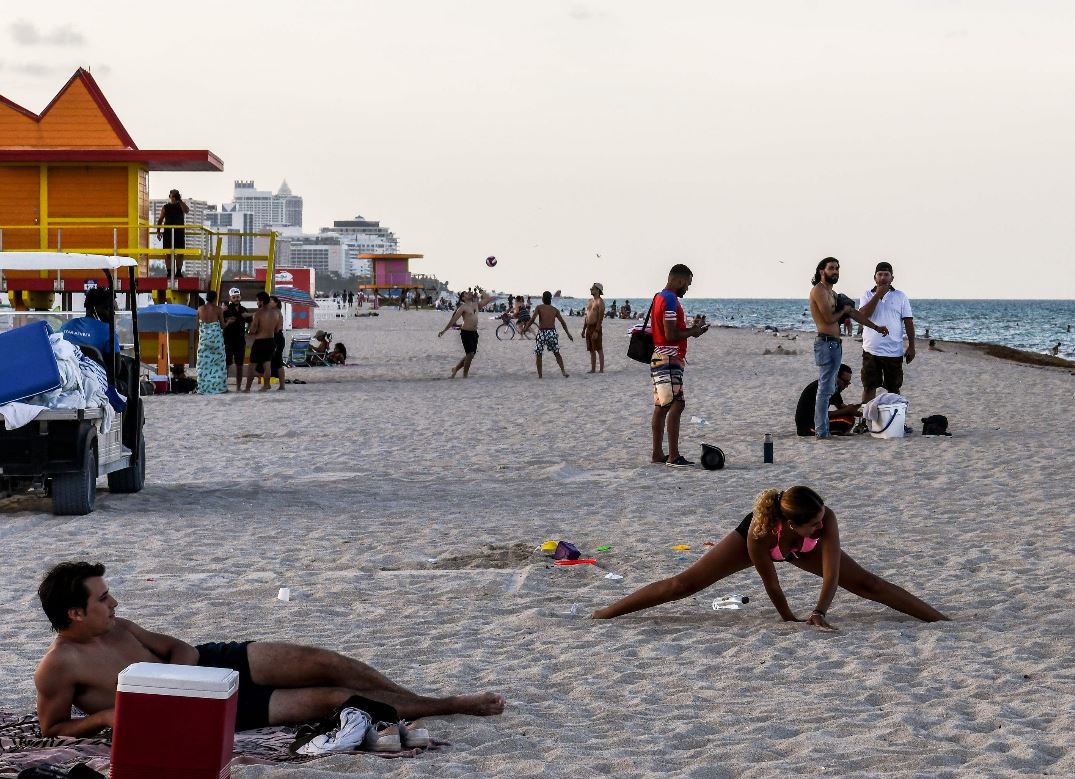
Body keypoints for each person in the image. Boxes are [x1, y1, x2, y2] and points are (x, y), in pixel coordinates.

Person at [33, 562, 506, 738]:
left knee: (322, 661)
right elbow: (52, 727)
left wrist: (178, 675)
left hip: (210, 663)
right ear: (75, 613)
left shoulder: (119, 625)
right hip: (198, 708)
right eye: (102, 597)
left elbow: (176, 646)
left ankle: (415, 697)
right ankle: (447, 706)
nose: (113, 602)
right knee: (334, 697)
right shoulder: (57, 667)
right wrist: (107, 717)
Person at [591, 486, 949, 626]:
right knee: (685, 583)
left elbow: (832, 574)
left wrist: (819, 611)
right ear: (793, 524)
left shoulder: (825, 521)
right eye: (814, 525)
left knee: (868, 582)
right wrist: (789, 620)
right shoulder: (759, 535)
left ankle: (939, 620)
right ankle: (606, 612)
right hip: (767, 544)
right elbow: (772, 585)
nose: (822, 527)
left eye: (823, 519)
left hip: (797, 550)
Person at [808, 257, 888, 440]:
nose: (835, 271)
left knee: (828, 388)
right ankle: (821, 431)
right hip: (825, 343)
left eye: (837, 268)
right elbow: (829, 319)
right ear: (822, 271)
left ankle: (824, 429)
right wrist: (844, 310)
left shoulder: (833, 293)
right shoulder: (818, 291)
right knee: (825, 389)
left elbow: (853, 313)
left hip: (835, 344)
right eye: (831, 268)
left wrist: (875, 327)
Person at [647, 264, 708, 467]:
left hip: (658, 357)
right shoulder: (671, 299)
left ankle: (657, 453)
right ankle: (673, 456)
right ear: (680, 280)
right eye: (688, 284)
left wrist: (691, 328)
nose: (687, 289)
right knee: (677, 404)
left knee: (661, 406)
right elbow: (670, 334)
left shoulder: (659, 297)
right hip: (668, 358)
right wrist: (693, 331)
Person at [857, 261, 915, 404]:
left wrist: (912, 346)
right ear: (875, 277)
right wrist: (877, 295)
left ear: (892, 278)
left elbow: (908, 322)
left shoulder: (900, 296)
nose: (883, 278)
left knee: (894, 389)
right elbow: (863, 315)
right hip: (871, 350)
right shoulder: (866, 294)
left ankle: (895, 421)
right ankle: (865, 422)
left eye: (886, 275)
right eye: (880, 274)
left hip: (894, 352)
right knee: (869, 387)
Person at [438, 290, 495, 378]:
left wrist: (481, 291)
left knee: (470, 355)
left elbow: (488, 299)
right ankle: (465, 375)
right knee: (470, 354)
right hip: (466, 332)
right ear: (463, 298)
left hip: (474, 333)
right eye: (466, 293)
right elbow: (453, 320)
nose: (469, 293)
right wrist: (444, 330)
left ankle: (455, 369)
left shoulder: (476, 304)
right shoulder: (463, 307)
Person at [519, 291, 573, 378]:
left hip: (542, 333)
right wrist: (568, 334)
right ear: (550, 299)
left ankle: (540, 375)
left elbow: (532, 319)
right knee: (556, 352)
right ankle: (563, 371)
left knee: (539, 353)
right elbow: (563, 322)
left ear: (543, 299)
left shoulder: (539, 307)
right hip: (552, 332)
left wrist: (525, 329)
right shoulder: (555, 310)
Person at [794, 364, 859, 436]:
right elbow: (821, 414)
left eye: (848, 383)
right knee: (847, 420)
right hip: (808, 427)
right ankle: (835, 433)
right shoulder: (823, 388)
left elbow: (841, 407)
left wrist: (861, 410)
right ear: (835, 377)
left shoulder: (833, 388)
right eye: (845, 382)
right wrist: (847, 410)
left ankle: (837, 433)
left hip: (816, 421)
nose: (846, 386)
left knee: (849, 417)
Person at [60, 287, 120, 357]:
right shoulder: (109, 332)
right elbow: (116, 367)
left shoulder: (66, 326)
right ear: (94, 308)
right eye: (108, 308)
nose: (113, 313)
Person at [244, 291, 277, 392]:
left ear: (261, 301)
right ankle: (266, 385)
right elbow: (276, 328)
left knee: (251, 366)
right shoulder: (275, 313)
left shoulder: (258, 314)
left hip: (260, 342)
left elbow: (253, 329)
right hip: (271, 340)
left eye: (257, 301)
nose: (257, 303)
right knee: (267, 365)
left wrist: (248, 331)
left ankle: (247, 388)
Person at [195, 290, 227, 394]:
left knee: (203, 363)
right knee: (219, 363)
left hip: (204, 339)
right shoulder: (218, 309)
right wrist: (229, 322)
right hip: (216, 339)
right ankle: (219, 388)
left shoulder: (199, 309)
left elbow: (196, 327)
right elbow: (222, 325)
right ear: (215, 298)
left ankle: (203, 388)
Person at [222, 288, 251, 392]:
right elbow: (220, 323)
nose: (236, 299)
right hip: (228, 339)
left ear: (240, 297)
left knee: (240, 364)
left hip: (240, 340)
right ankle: (223, 386)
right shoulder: (226, 310)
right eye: (234, 297)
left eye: (238, 297)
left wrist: (247, 331)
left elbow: (250, 321)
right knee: (227, 364)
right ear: (230, 298)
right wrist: (226, 320)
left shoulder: (243, 309)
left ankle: (238, 387)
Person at [155, 189, 189, 278]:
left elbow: (187, 210)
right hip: (168, 232)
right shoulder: (165, 207)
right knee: (168, 253)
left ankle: (178, 271)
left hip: (179, 232)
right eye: (172, 196)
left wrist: (180, 200)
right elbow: (160, 220)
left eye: (175, 196)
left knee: (180, 253)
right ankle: (169, 272)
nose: (173, 198)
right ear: (169, 197)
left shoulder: (181, 205)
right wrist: (158, 232)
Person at [582, 283, 606, 373]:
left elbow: (600, 318)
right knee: (591, 349)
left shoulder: (600, 302)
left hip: (595, 326)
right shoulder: (589, 301)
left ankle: (601, 370)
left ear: (598, 290)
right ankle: (593, 369)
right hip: (588, 327)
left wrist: (597, 330)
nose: (590, 289)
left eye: (592, 288)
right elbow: (587, 316)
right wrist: (584, 329)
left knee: (599, 349)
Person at [268, 295, 287, 391]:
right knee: (275, 361)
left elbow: (277, 328)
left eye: (271, 301)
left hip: (277, 338)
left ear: (276, 303)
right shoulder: (274, 312)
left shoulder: (276, 312)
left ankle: (282, 385)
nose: (269, 302)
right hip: (276, 337)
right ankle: (281, 384)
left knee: (278, 361)